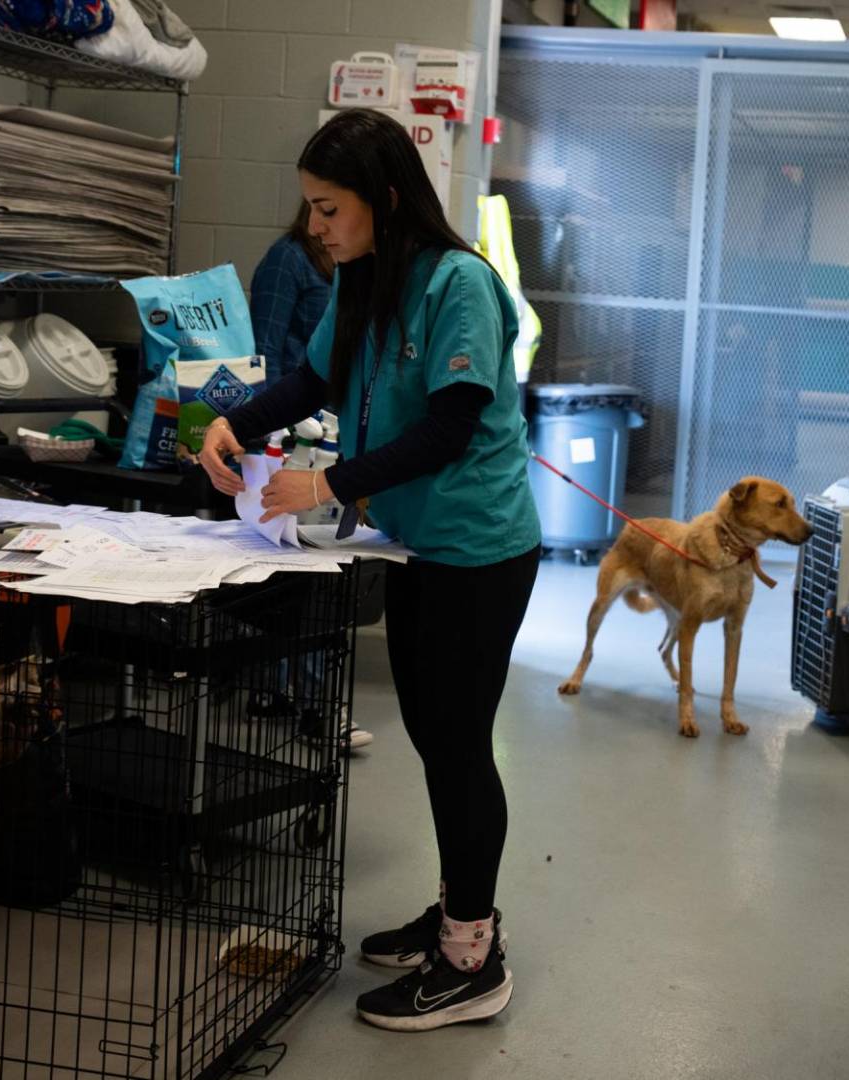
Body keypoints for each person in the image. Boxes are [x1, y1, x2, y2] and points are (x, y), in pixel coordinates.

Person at [201, 109, 543, 1031]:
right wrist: (236, 417)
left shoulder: (457, 284)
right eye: (311, 207)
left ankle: (474, 960)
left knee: (460, 744)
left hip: (480, 548)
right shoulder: (360, 280)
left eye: (329, 208)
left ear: (385, 202)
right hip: (415, 544)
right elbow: (313, 382)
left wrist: (330, 481)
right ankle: (458, 909)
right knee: (437, 738)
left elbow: (450, 425)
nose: (315, 227)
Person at [247, 205, 374, 754]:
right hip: (292, 440)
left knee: (320, 573)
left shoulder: (351, 268)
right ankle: (309, 703)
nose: (325, 224)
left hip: (335, 441)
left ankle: (300, 696)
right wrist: (264, 436)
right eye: (319, 209)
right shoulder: (288, 260)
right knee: (297, 569)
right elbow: (268, 352)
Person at [250, 203, 335, 388]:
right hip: (297, 400)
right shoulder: (288, 257)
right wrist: (272, 414)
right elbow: (265, 350)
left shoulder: (352, 259)